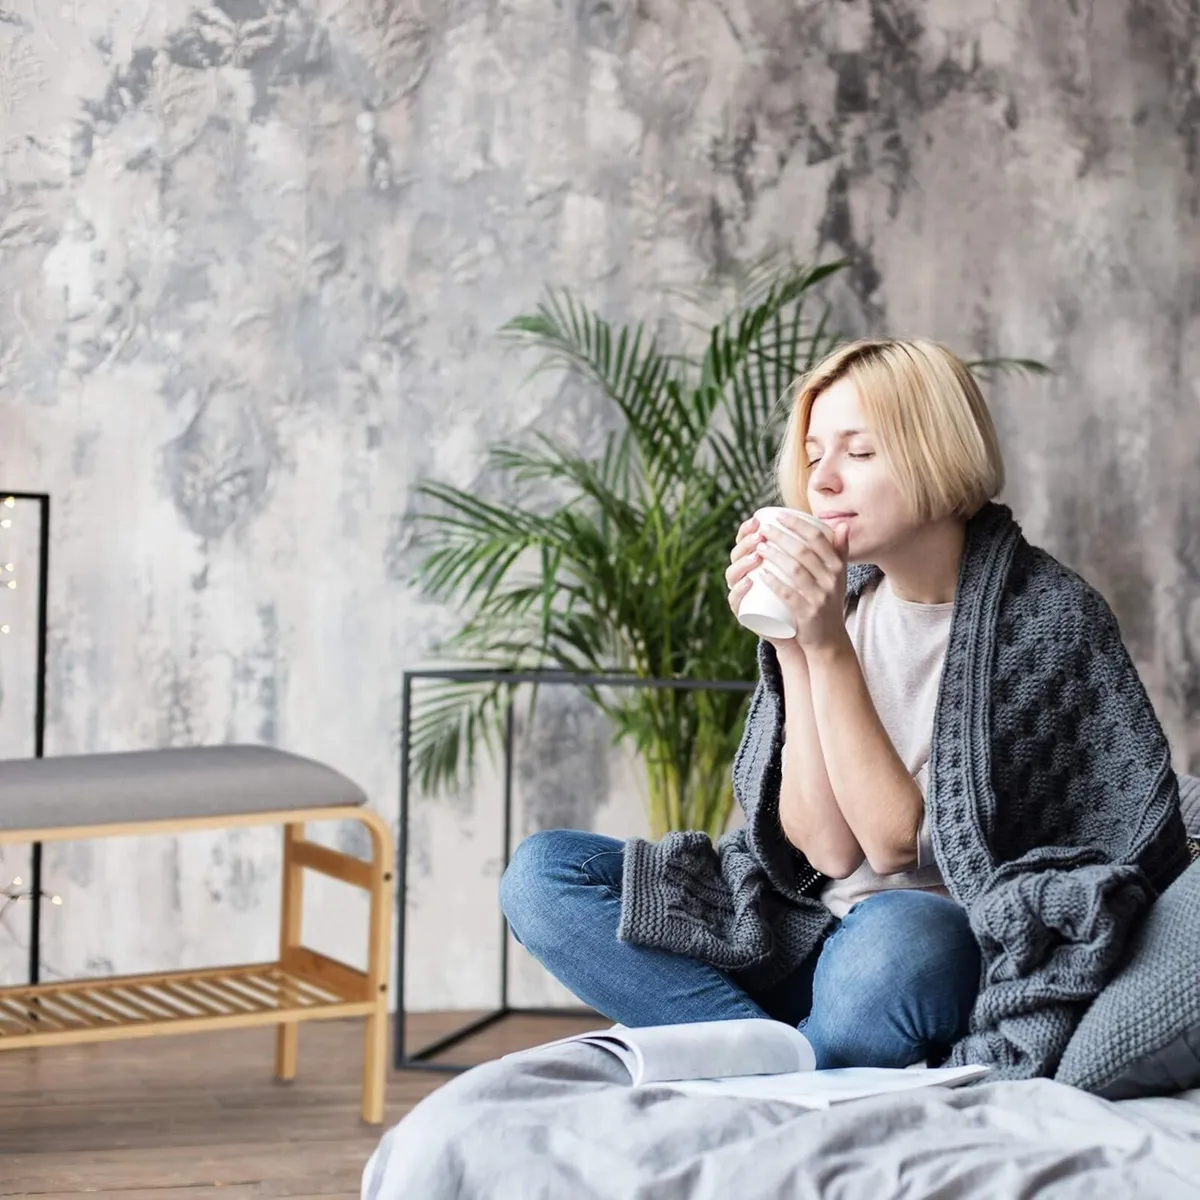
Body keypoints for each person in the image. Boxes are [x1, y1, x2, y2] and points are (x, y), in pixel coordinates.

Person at [499, 338, 1190, 1080]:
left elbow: (893, 848)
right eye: (813, 455)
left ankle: (749, 1053)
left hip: (919, 957)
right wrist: (794, 646)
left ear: (939, 456)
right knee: (543, 875)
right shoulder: (847, 601)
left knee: (903, 935)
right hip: (799, 931)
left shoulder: (1049, 618)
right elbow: (824, 855)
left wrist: (825, 646)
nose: (823, 480)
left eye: (859, 453)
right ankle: (776, 1061)